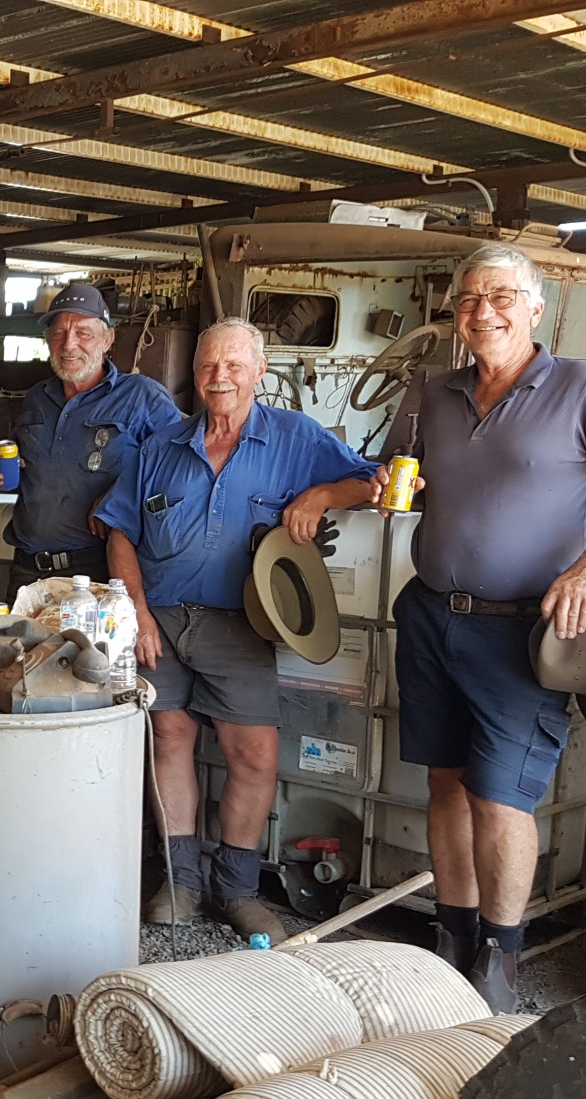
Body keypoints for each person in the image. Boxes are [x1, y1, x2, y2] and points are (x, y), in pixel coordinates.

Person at [387, 243, 586, 1010]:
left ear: (535, 307)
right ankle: (451, 938)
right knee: (444, 782)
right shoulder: (432, 392)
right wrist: (327, 493)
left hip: (526, 630)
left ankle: (501, 959)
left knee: (500, 797)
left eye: (501, 297)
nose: (482, 312)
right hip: (431, 614)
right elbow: (392, 480)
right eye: (469, 299)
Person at [100, 318, 378, 942]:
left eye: (232, 366)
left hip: (242, 625)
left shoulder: (294, 437)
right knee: (168, 740)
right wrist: (136, 613)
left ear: (258, 371)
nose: (218, 377)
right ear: (195, 374)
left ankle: (238, 890)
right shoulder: (162, 445)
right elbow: (119, 532)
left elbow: (371, 478)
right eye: (207, 366)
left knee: (252, 755)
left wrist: (321, 497)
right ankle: (181, 881)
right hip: (161, 621)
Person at [0, 282, 183, 592]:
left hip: (98, 572)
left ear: (107, 340)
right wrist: (1, 472)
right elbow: (29, 464)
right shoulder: (38, 396)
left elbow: (181, 470)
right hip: (27, 571)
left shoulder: (142, 397)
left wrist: (120, 496)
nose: (68, 345)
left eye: (83, 334)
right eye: (59, 333)